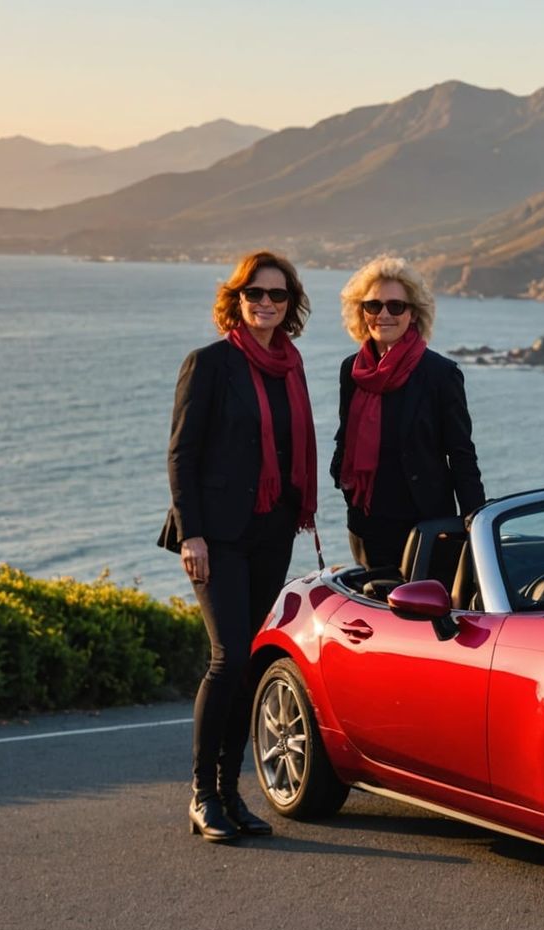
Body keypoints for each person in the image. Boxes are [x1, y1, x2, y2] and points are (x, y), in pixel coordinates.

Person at [159, 250, 317, 843]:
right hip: (215, 535)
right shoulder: (210, 364)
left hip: (270, 532)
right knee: (227, 659)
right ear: (237, 299)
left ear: (289, 304)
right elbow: (182, 454)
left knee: (247, 661)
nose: (265, 304)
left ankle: (231, 793)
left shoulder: (291, 368)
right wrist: (190, 532)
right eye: (255, 294)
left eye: (276, 295)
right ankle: (202, 795)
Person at [332, 256, 484, 571]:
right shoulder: (353, 370)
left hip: (425, 527)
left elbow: (461, 453)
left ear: (413, 313)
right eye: (373, 306)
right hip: (366, 523)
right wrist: (343, 481)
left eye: (395, 306)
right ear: (362, 312)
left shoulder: (440, 374)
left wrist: (475, 520)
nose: (383, 314)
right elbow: (345, 435)